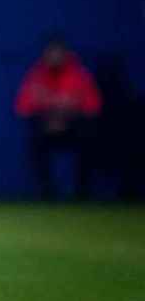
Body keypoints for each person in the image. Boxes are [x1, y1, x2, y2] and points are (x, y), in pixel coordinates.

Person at [15, 36, 102, 199]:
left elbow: (93, 106)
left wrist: (68, 116)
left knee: (89, 137)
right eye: (50, 53)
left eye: (58, 52)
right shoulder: (36, 76)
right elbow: (22, 107)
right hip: (46, 128)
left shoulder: (79, 75)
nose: (54, 56)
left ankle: (81, 192)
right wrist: (48, 115)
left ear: (66, 53)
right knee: (34, 140)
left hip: (74, 128)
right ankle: (47, 192)